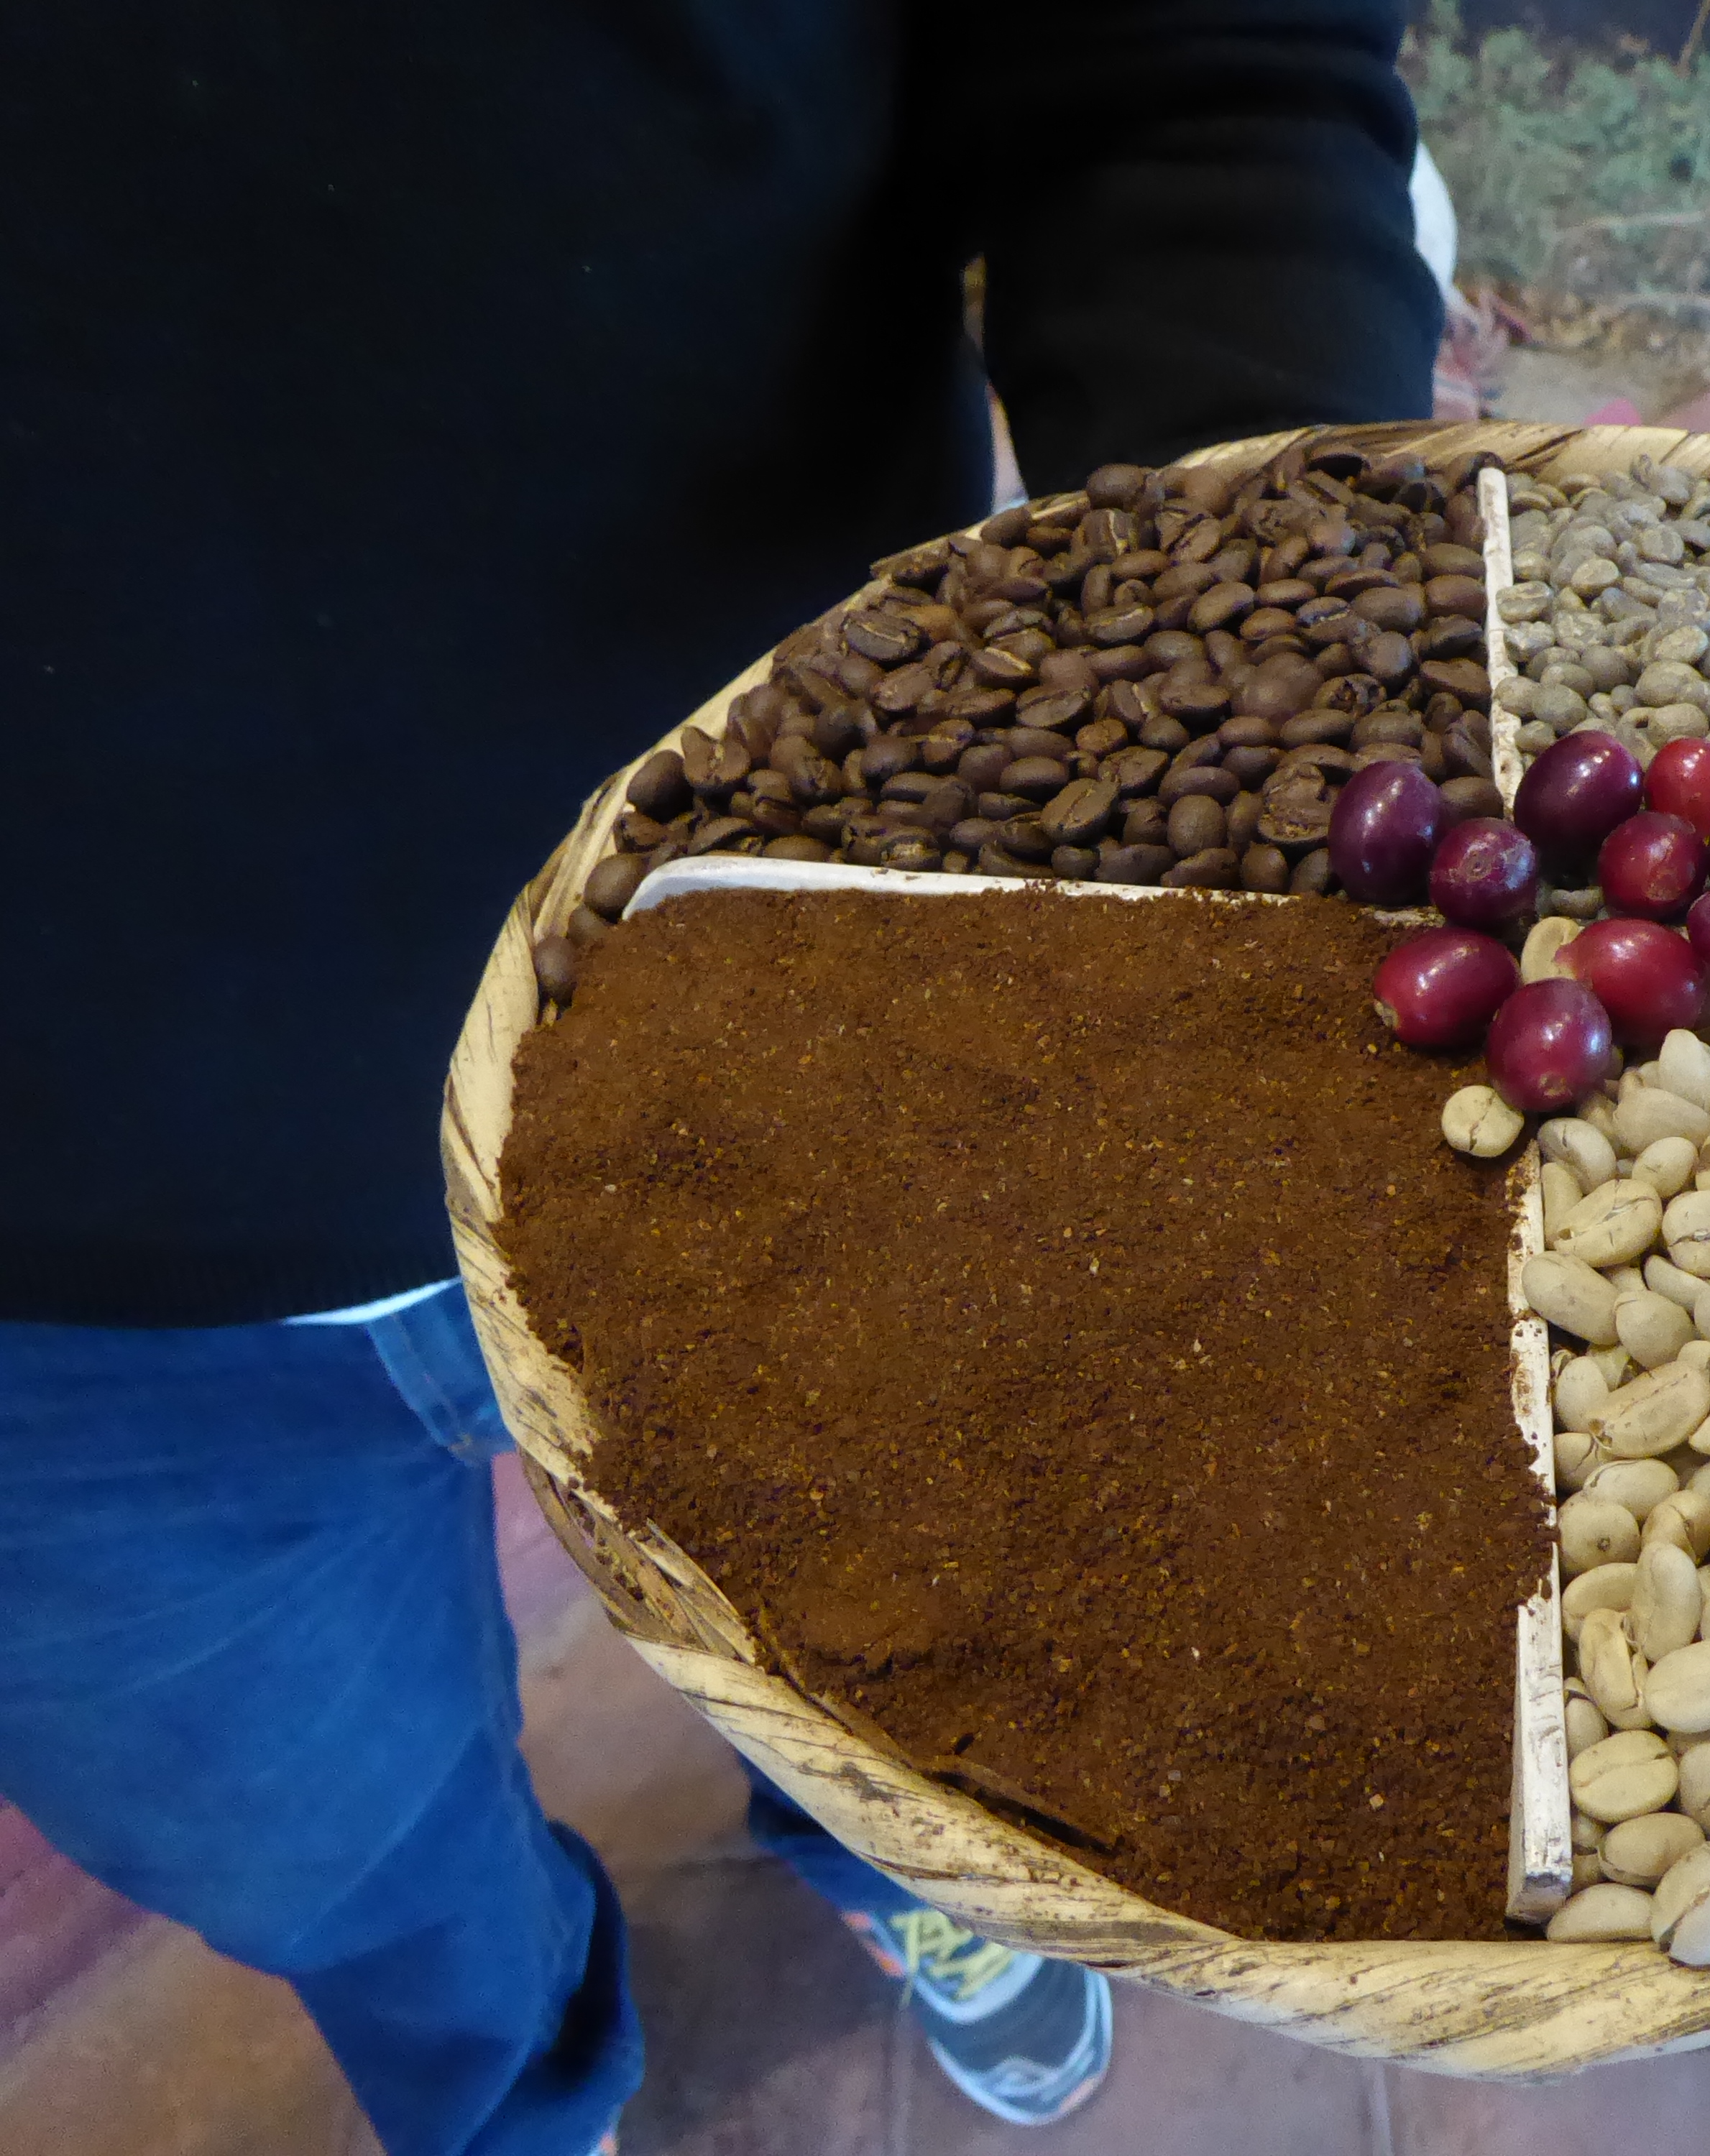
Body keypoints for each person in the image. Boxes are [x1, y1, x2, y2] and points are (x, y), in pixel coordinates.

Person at [0, 4, 1442, 2151]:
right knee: (337, 1876)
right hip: (67, 1333)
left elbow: (1191, 60)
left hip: (786, 1020)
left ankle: (896, 1868)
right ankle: (514, 2089)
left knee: (899, 1657)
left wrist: (1261, 667)